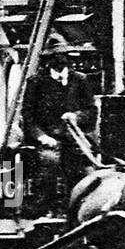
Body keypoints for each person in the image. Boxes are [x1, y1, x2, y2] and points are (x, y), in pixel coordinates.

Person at [21, 50, 96, 211]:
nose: (60, 60)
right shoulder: (36, 82)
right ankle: (46, 209)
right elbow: (28, 116)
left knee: (83, 171)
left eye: (63, 56)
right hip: (48, 140)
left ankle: (78, 210)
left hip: (73, 138)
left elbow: (91, 110)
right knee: (49, 162)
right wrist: (42, 136)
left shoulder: (80, 80)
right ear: (48, 61)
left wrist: (76, 116)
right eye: (54, 57)